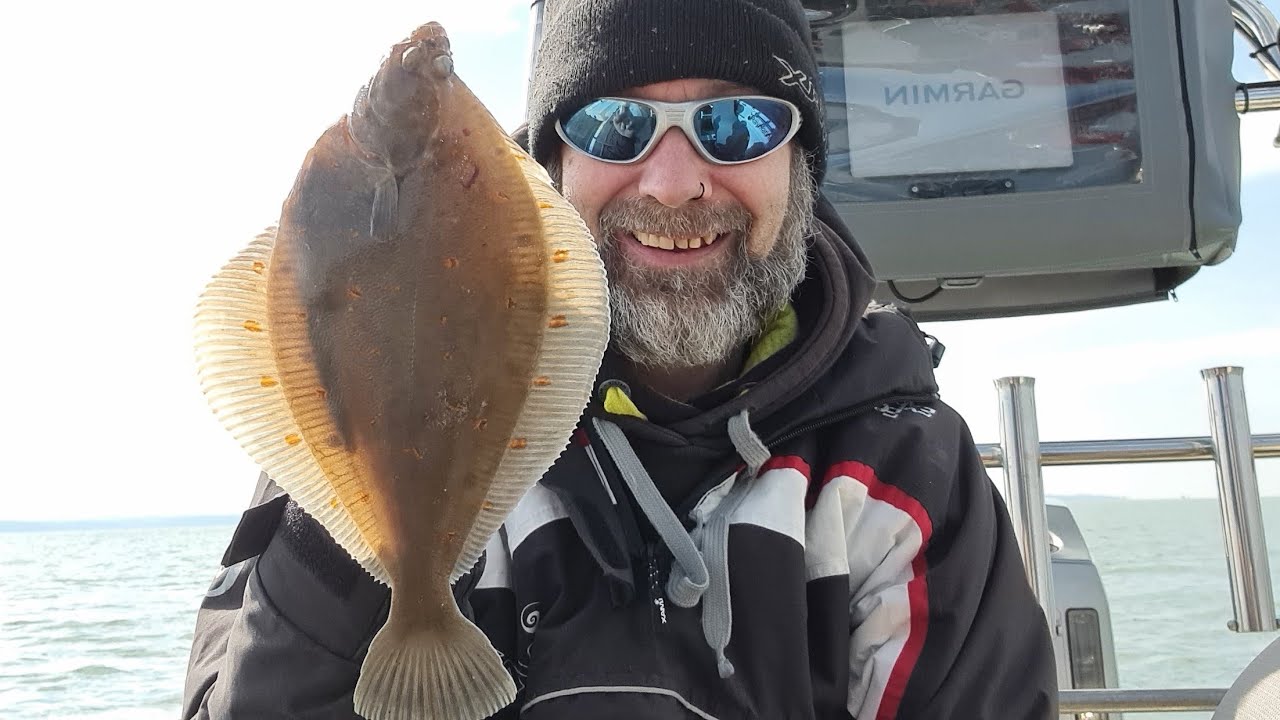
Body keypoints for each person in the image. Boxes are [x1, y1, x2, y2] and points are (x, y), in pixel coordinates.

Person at [182, 0, 1058, 718]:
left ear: (801, 165)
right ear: (551, 164)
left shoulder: (909, 479)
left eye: (737, 121)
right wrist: (351, 534)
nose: (673, 183)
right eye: (614, 123)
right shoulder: (346, 461)